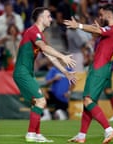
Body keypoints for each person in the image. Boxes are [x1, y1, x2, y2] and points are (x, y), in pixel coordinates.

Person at [13, 7, 77, 143]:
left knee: (36, 103)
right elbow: (45, 48)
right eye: (48, 16)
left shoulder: (39, 34)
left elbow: (51, 57)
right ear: (40, 18)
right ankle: (31, 134)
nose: (51, 19)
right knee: (41, 101)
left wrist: (65, 72)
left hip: (27, 73)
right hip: (22, 72)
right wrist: (63, 57)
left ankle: (36, 134)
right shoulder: (33, 31)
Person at [63, 4, 113, 144]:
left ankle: (109, 129)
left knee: (88, 100)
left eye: (102, 15)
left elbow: (98, 30)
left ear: (108, 14)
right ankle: (81, 135)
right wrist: (94, 30)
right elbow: (98, 32)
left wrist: (79, 26)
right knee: (88, 102)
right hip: (101, 68)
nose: (100, 17)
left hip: (99, 68)